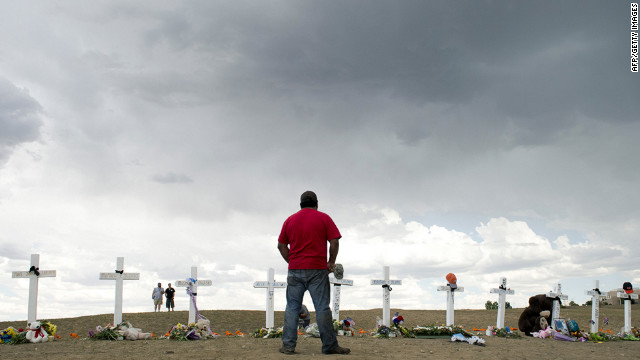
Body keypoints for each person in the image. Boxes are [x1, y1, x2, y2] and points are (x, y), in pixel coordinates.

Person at [277, 191, 350, 355]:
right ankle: (330, 346)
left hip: (295, 270)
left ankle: (288, 346)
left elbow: (281, 245)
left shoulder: (290, 220)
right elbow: (334, 241)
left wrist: (292, 261)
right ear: (316, 203)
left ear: (300, 204)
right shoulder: (324, 218)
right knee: (322, 308)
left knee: (292, 308)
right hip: (317, 270)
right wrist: (331, 262)